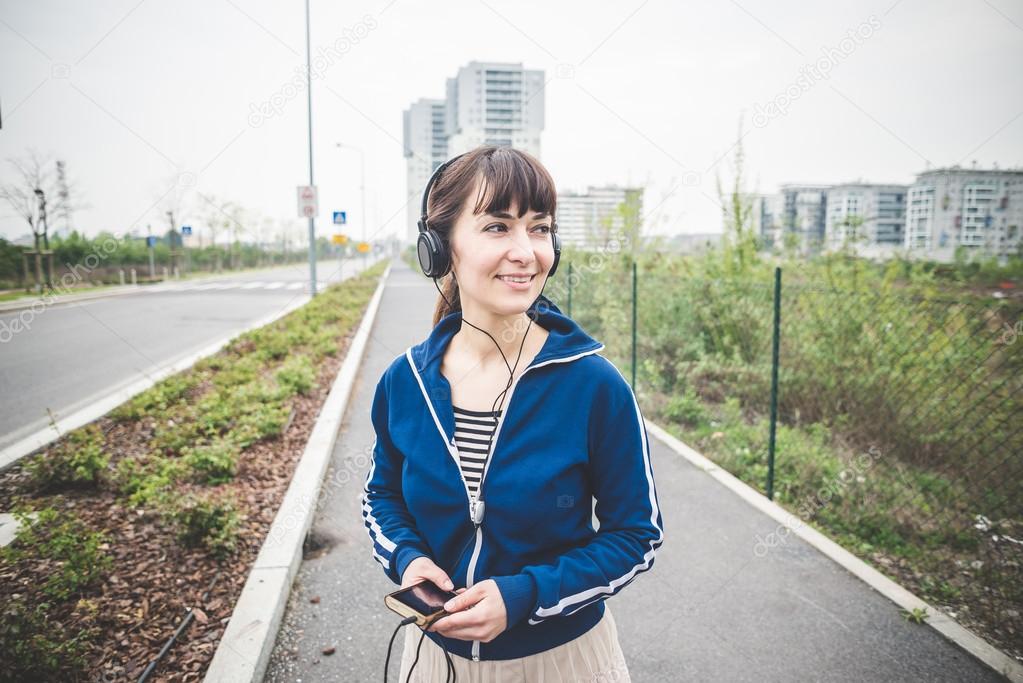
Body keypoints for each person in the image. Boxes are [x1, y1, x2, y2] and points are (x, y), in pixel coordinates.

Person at [361, 146, 664, 681]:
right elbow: (381, 495)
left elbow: (635, 535)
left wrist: (525, 595)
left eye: (540, 228)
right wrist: (409, 559)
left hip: (564, 661)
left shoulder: (595, 386)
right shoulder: (403, 384)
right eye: (498, 228)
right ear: (439, 248)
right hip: (434, 661)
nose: (526, 251)